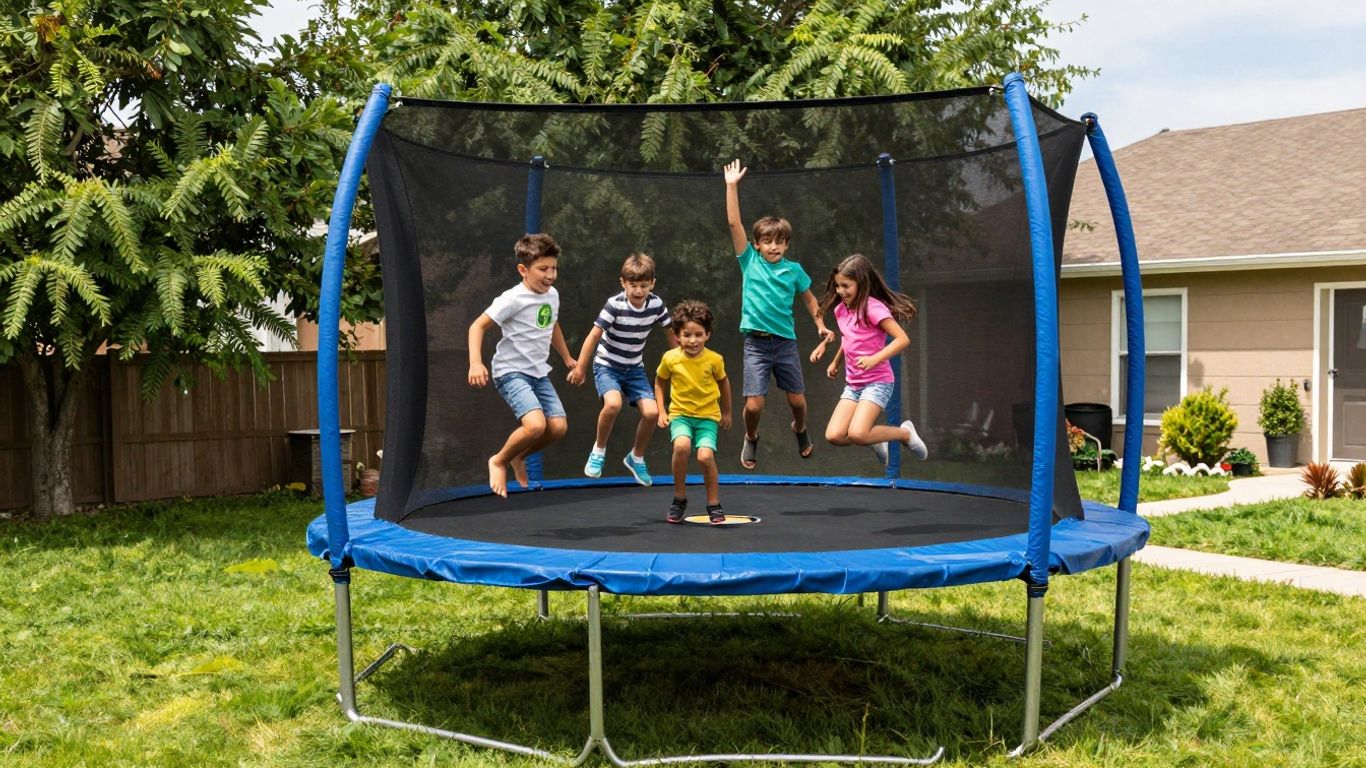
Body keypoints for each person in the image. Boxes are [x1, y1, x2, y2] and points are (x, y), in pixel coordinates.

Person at [723, 158, 834, 470]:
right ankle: (751, 436)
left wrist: (821, 325)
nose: (774, 246)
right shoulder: (749, 262)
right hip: (756, 345)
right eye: (768, 241)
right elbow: (734, 224)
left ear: (786, 244)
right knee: (754, 404)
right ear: (757, 244)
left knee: (797, 401)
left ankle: (799, 429)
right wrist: (731, 187)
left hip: (785, 343)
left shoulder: (793, 270)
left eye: (780, 242)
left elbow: (812, 301)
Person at [468, 233, 584, 497]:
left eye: (553, 268)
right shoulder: (512, 298)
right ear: (523, 270)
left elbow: (552, 325)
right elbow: (478, 326)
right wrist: (476, 362)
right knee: (535, 425)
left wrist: (566, 357)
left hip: (538, 372)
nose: (550, 275)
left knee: (558, 428)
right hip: (511, 371)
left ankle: (518, 457)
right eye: (543, 269)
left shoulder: (552, 295)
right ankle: (498, 460)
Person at [810, 253, 928, 464]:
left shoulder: (873, 308)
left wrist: (875, 359)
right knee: (834, 435)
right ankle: (873, 440)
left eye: (846, 286)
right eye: (838, 286)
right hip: (854, 384)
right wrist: (836, 361)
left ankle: (904, 434)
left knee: (857, 433)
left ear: (861, 283)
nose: (840, 291)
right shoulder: (840, 310)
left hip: (878, 382)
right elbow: (849, 339)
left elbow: (902, 339)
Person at [573, 251, 676, 485]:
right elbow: (594, 335)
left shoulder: (656, 304)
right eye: (633, 285)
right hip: (607, 366)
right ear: (623, 283)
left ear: (652, 284)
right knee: (613, 404)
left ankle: (636, 457)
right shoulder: (615, 305)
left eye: (644, 285)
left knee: (651, 413)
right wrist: (580, 367)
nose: (638, 291)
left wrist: (680, 361)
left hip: (634, 369)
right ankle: (598, 451)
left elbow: (670, 331)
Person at [655, 300, 732, 524]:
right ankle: (679, 498)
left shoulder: (714, 359)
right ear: (677, 336)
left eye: (699, 334)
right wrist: (661, 411)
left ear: (707, 334)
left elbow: (724, 384)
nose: (693, 340)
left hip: (707, 417)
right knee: (681, 446)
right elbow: (660, 382)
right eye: (687, 335)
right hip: (680, 415)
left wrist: (727, 412)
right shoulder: (670, 358)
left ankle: (713, 502)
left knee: (705, 456)